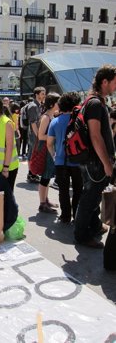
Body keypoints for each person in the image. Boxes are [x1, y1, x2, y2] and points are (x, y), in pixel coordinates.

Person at [74, 65, 116, 248]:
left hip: (93, 161)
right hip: (95, 162)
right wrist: (107, 163)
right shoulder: (95, 103)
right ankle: (81, 236)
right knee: (89, 198)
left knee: (94, 196)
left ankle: (95, 226)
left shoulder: (95, 101)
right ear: (104, 81)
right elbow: (95, 135)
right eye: (115, 83)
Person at [47, 92, 83, 223]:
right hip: (78, 161)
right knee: (78, 189)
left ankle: (65, 216)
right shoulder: (80, 120)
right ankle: (77, 215)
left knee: (63, 190)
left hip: (60, 161)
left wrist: (54, 156)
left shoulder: (55, 121)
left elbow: (49, 143)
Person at [37, 92, 60, 213]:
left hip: (49, 148)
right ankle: (42, 203)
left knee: (47, 177)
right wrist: (54, 136)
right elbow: (41, 136)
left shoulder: (51, 116)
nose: (60, 104)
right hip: (45, 149)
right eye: (58, 101)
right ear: (52, 104)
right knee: (45, 177)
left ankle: (46, 200)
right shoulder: (46, 117)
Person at [25, 87, 46, 183]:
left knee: (33, 153)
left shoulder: (39, 105)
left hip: (36, 134)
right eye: (42, 93)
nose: (44, 95)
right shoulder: (33, 106)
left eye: (44, 93)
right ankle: (31, 174)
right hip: (34, 134)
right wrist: (38, 136)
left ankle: (33, 173)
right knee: (32, 153)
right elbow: (33, 123)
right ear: (36, 94)